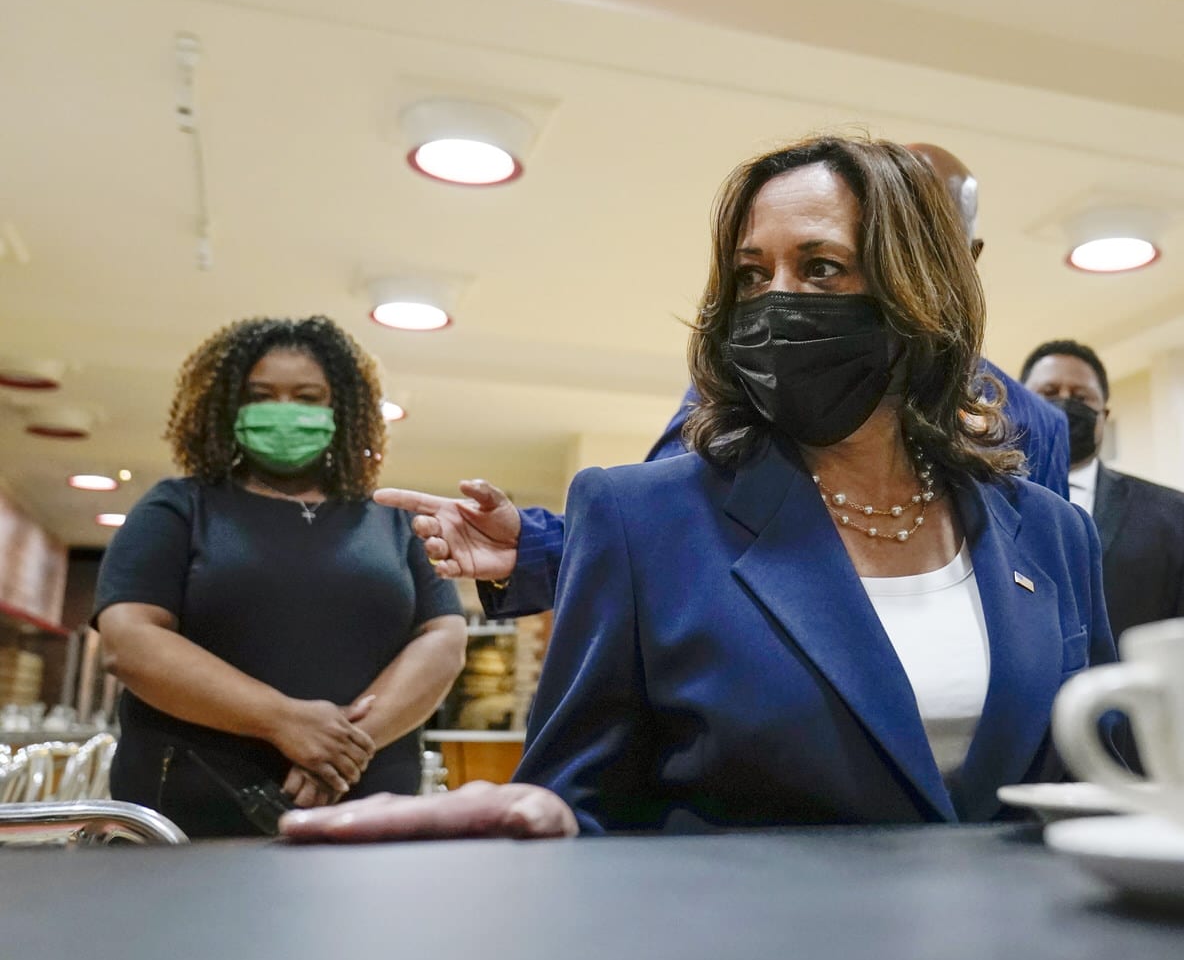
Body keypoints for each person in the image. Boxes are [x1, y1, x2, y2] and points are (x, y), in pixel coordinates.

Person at [365, 135, 1110, 837]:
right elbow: (578, 801)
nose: (774, 301)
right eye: (752, 274)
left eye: (821, 268)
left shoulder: (1053, 534)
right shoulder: (638, 513)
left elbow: (1102, 773)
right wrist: (537, 821)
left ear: (919, 292)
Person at [380, 144, 1069, 620]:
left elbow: (1046, 605)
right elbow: (669, 525)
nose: (781, 295)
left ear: (956, 259)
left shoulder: (1036, 426)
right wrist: (534, 550)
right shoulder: (757, 362)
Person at [95, 317, 468, 837]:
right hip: (190, 815)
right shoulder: (179, 507)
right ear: (228, 407)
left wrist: (340, 750)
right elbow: (129, 640)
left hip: (367, 811)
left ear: (341, 410)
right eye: (262, 395)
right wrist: (282, 720)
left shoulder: (393, 521)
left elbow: (443, 639)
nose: (285, 410)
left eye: (308, 396)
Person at [1020, 339, 1184, 637]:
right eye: (1049, 393)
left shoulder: (1172, 514)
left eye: (1081, 397)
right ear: (1020, 406)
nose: (1065, 404)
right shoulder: (982, 506)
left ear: (1103, 416)